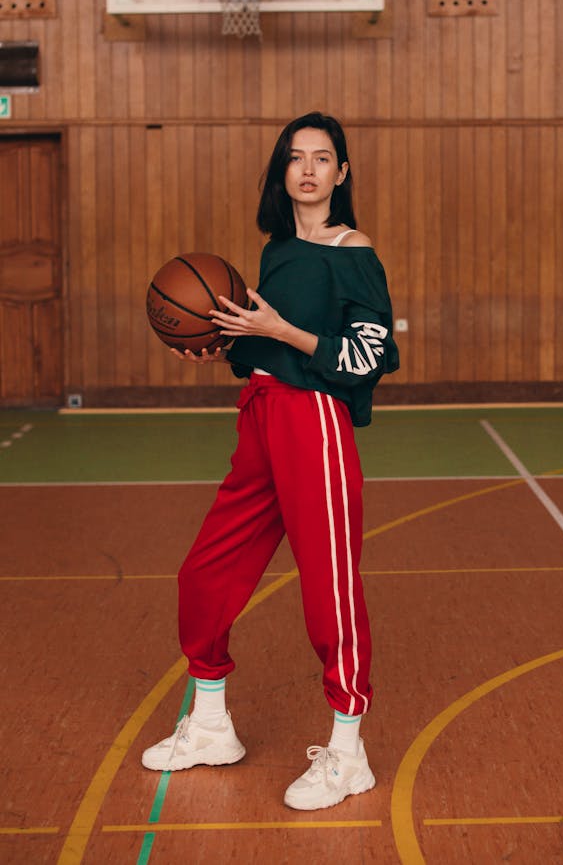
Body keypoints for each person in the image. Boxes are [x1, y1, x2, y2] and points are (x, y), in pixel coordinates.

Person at [141, 112, 399, 811]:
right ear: (281, 172)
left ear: (342, 174)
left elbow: (369, 355)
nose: (309, 168)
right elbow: (266, 344)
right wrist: (221, 344)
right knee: (205, 571)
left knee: (329, 589)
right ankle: (211, 723)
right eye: (296, 157)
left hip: (314, 420)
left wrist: (279, 329)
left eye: (323, 157)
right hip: (260, 414)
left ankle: (348, 753)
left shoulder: (354, 250)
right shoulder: (278, 250)